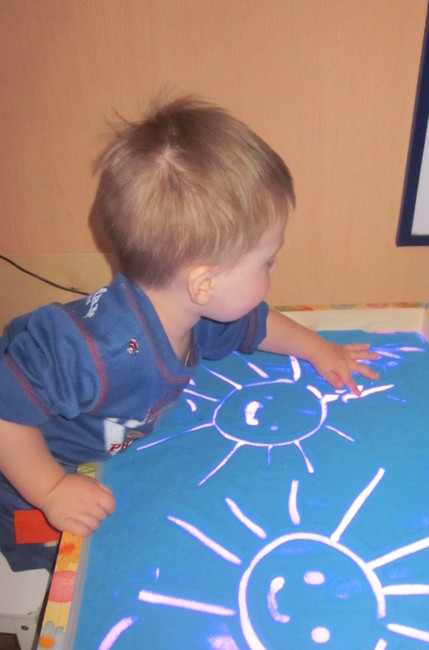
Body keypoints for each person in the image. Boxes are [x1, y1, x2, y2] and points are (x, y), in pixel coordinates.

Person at [0, 96, 378, 571]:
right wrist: (52, 490)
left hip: (103, 467)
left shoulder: (190, 311)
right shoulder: (97, 352)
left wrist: (319, 350)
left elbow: (255, 324)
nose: (275, 269)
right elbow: (5, 415)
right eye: (267, 261)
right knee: (69, 577)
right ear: (204, 284)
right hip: (30, 488)